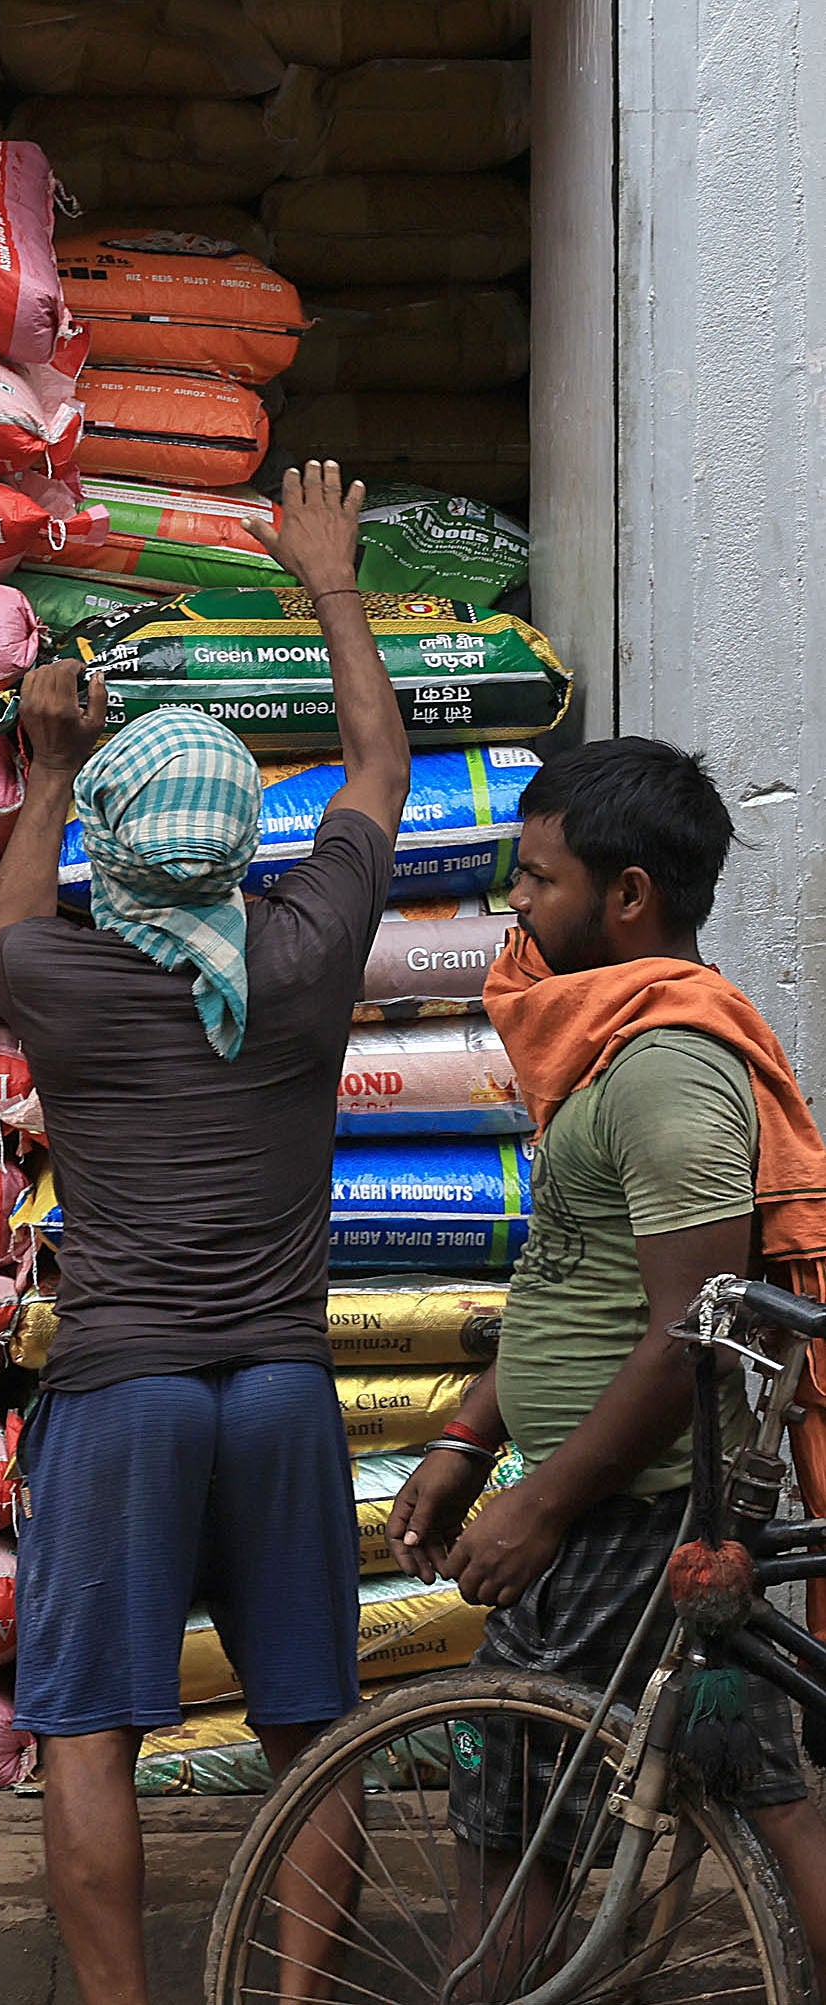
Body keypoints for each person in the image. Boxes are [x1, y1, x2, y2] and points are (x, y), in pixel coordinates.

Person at [0, 460, 413, 2005]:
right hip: (281, 1391)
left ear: (113, 839)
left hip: (125, 1391)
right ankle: (301, 1994)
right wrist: (329, 582)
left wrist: (46, 765)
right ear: (242, 839)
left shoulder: (64, 987)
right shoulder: (302, 956)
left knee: (88, 1725)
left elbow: (11, 922)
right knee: (310, 1721)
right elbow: (376, 766)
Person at [387, 734, 826, 1967]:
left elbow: (697, 1325)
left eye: (536, 880)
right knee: (763, 1794)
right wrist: (470, 1436)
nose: (514, 907)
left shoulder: (665, 1069)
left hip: (623, 1520)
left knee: (505, 1803)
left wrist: (539, 1504)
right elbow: (573, 1284)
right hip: (635, 1511)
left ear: (626, 894)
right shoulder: (607, 1049)